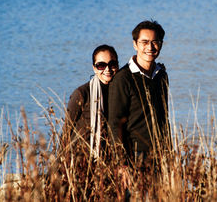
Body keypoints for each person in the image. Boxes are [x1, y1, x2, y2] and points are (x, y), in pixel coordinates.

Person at [108, 20, 169, 161]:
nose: (150, 47)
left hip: (160, 153)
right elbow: (115, 124)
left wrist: (168, 150)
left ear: (161, 44)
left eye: (155, 42)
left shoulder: (161, 75)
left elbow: (164, 118)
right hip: (134, 155)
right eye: (144, 42)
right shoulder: (123, 78)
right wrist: (122, 163)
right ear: (135, 44)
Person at [67, 44, 119, 158]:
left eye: (112, 64)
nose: (107, 69)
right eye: (101, 65)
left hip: (111, 157)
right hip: (82, 157)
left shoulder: (121, 93)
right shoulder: (82, 93)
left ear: (117, 65)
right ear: (94, 68)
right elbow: (67, 130)